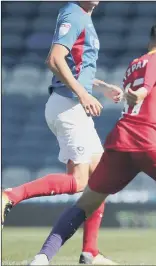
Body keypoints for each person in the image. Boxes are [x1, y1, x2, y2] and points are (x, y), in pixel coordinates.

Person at [28, 20, 156, 266]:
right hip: (153, 143)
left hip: (121, 143)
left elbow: (148, 109)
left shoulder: (133, 66)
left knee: (87, 202)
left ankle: (42, 257)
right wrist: (144, 90)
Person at [1, 1, 122, 264]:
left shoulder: (83, 17)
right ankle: (9, 195)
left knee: (102, 178)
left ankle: (90, 252)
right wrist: (83, 94)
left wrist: (99, 87)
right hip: (68, 105)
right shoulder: (73, 13)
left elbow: (76, 66)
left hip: (72, 103)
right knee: (79, 181)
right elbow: (54, 59)